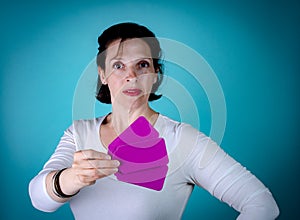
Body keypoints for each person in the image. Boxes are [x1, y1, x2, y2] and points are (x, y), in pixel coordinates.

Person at [29, 22, 279, 219]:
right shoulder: (79, 133)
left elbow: (262, 204)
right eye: (118, 65)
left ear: (155, 75)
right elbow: (40, 200)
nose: (131, 76)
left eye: (142, 65)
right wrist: (73, 177)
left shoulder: (182, 140)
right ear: (102, 74)